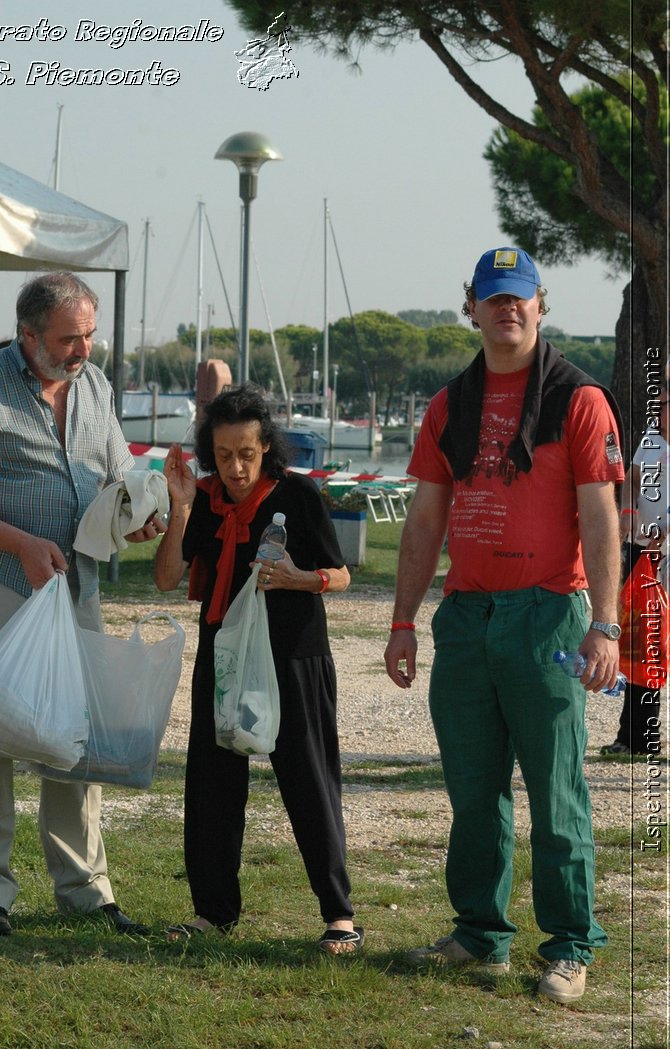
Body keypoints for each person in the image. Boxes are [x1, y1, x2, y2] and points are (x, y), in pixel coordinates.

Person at [383, 247, 624, 1003]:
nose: (507, 309)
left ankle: (570, 946)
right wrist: (402, 622)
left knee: (556, 793)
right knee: (473, 788)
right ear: (473, 308)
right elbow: (424, 519)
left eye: (520, 297)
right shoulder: (450, 403)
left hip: (547, 613)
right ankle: (479, 934)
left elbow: (599, 516)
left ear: (540, 305)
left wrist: (607, 626)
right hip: (466, 616)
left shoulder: (577, 399)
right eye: (494, 298)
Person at [0, 272, 166, 937]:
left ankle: (86, 891)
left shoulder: (94, 386)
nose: (82, 350)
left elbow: (116, 474)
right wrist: (22, 544)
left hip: (75, 586)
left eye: (90, 336)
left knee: (75, 737)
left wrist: (136, 516)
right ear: (28, 336)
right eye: (68, 339)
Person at [155, 383, 363, 953]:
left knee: (309, 781)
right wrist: (179, 508)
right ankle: (212, 911)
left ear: (266, 446)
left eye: (247, 454)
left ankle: (340, 916)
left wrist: (303, 579)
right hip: (224, 656)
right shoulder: (202, 498)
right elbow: (167, 578)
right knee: (211, 784)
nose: (237, 467)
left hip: (293, 656)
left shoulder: (298, 497)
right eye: (224, 456)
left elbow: (341, 575)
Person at [601, 372, 669, 757]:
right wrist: (626, 510)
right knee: (642, 646)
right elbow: (631, 477)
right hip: (643, 552)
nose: (657, 413)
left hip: (665, 552)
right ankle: (635, 737)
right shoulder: (651, 439)